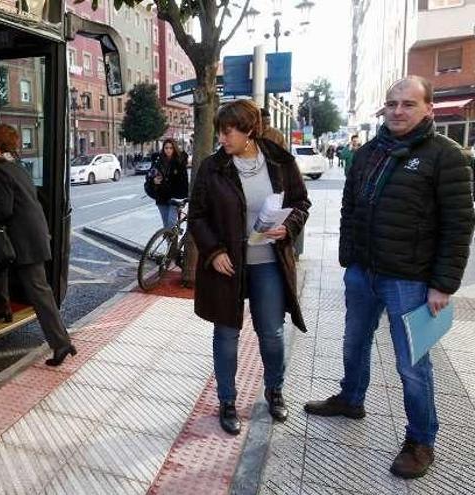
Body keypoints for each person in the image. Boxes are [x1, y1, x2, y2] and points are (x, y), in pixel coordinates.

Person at [304, 76, 475, 479]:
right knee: (352, 342)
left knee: (412, 363)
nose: (398, 111)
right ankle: (351, 398)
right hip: (364, 271)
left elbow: (459, 225)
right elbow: (349, 206)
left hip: (411, 280)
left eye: (408, 104)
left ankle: (420, 440)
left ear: (428, 109)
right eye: (392, 103)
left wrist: (443, 285)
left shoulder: (445, 156)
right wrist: (349, 258)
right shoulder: (368, 153)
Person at [188, 99, 311, 435]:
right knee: (226, 334)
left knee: (270, 333)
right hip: (228, 266)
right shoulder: (212, 168)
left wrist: (289, 226)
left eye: (229, 132)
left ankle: (274, 390)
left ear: (249, 130)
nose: (222, 139)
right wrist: (213, 252)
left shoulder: (279, 161)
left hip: (268, 261)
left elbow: (301, 202)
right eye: (219, 132)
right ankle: (227, 400)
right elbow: (197, 216)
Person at [0, 124, 76, 366]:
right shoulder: (18, 168)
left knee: (39, 293)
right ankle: (1, 306)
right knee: (3, 270)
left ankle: (61, 343)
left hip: (24, 241)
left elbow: (3, 210)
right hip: (34, 235)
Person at [151, 138, 189, 228]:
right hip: (162, 197)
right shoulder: (158, 161)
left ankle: (174, 240)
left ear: (174, 149)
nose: (168, 150)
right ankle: (171, 242)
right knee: (166, 226)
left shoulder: (179, 161)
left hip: (175, 197)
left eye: (171, 148)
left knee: (171, 223)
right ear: (163, 149)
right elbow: (151, 175)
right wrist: (154, 180)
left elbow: (183, 180)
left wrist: (183, 197)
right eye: (166, 148)